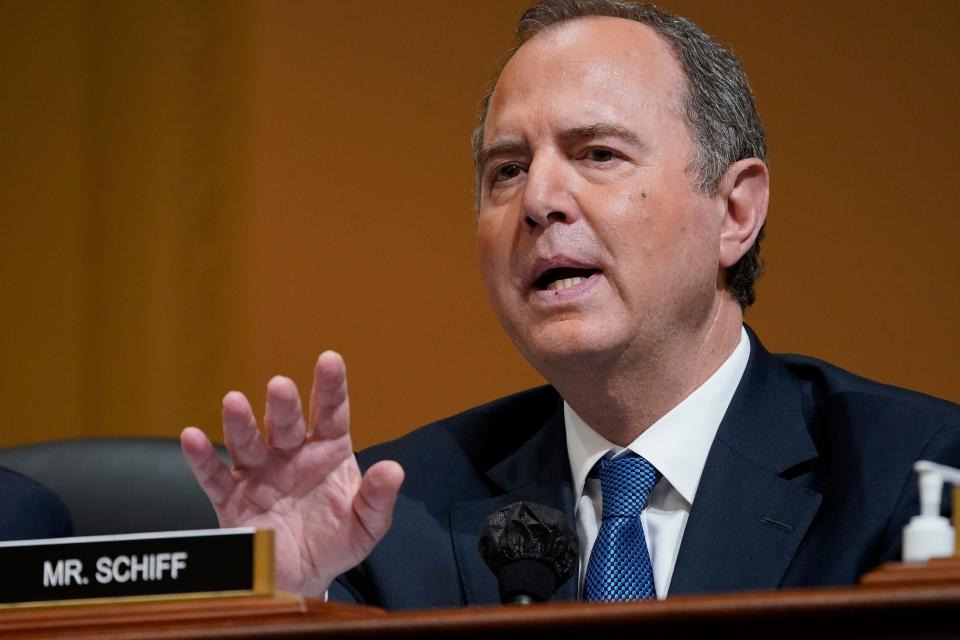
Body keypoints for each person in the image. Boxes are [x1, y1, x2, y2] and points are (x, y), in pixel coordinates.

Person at [180, 0, 960, 610]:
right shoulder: (394, 513)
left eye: (598, 154)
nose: (540, 200)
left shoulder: (910, 473)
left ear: (735, 212)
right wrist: (285, 602)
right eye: (507, 169)